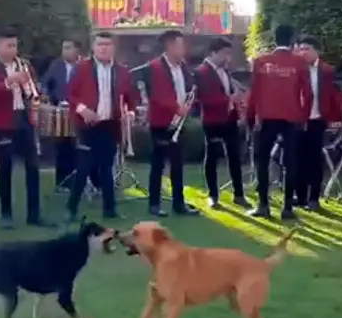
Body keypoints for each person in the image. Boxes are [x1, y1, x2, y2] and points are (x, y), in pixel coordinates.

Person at [65, 31, 138, 221]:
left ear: (114, 47)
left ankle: (110, 209)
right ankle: (70, 209)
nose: (104, 48)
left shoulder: (122, 71)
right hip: (87, 125)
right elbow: (69, 94)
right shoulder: (82, 68)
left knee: (107, 168)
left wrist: (130, 113)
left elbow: (131, 98)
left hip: (109, 125)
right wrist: (83, 110)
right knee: (84, 167)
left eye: (107, 44)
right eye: (100, 44)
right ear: (93, 47)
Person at [0, 26, 49, 228]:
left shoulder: (25, 64)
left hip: (24, 118)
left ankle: (34, 214)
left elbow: (35, 87)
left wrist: (35, 92)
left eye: (15, 45)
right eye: (8, 45)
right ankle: (6, 214)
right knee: (6, 168)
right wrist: (11, 81)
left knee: (33, 168)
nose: (13, 50)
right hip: (3, 123)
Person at [246, 24, 312, 220]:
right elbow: (308, 94)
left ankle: (263, 205)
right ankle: (287, 208)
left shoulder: (261, 62)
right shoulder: (299, 63)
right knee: (290, 163)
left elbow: (254, 93)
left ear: (275, 39)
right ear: (292, 40)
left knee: (262, 162)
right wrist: (304, 117)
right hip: (291, 118)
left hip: (266, 118)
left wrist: (250, 117)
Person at [142, 30, 199, 217]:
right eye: (180, 45)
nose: (183, 49)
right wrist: (176, 107)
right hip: (161, 123)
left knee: (177, 165)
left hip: (178, 123)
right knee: (158, 165)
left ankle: (178, 203)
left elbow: (187, 88)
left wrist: (189, 102)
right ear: (170, 46)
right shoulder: (155, 67)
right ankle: (154, 204)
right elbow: (157, 95)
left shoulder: (182, 67)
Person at [196, 37, 251, 209]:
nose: (228, 58)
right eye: (225, 54)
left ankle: (239, 194)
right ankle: (213, 195)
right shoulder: (201, 72)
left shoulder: (225, 72)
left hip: (230, 119)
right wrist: (229, 99)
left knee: (234, 156)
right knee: (212, 156)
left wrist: (237, 103)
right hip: (212, 120)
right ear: (214, 52)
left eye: (230, 54)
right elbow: (205, 98)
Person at [294, 36, 342, 210]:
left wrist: (337, 117)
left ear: (317, 51)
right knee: (298, 159)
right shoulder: (294, 70)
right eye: (301, 48)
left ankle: (313, 198)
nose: (303, 52)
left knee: (315, 160)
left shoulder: (327, 71)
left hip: (317, 120)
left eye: (307, 48)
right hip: (297, 120)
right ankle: (300, 196)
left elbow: (335, 95)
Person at [41, 39, 82, 189]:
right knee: (61, 147)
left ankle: (78, 181)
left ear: (77, 50)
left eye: (68, 48)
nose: (64, 51)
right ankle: (62, 181)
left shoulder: (84, 65)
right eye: (63, 48)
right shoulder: (56, 65)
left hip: (79, 112)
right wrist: (45, 95)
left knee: (77, 148)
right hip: (60, 113)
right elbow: (45, 83)